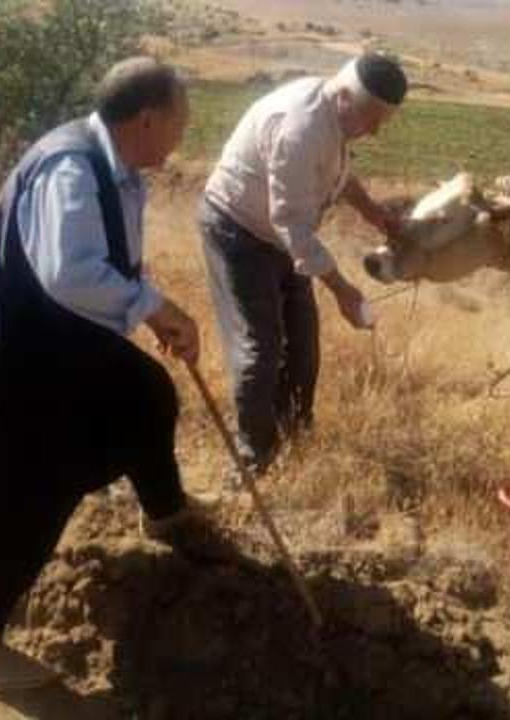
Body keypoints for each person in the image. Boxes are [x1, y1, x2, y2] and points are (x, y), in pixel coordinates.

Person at [0, 57, 233, 691]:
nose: (185, 137)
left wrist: (150, 309)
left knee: (145, 393)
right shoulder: (73, 167)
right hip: (11, 343)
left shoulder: (120, 168)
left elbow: (108, 267)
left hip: (53, 334)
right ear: (148, 120)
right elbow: (70, 273)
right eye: (182, 123)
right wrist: (153, 306)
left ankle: (165, 511)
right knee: (28, 489)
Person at [200, 53, 408, 477]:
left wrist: (373, 213)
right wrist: (343, 290)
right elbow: (291, 223)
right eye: (373, 117)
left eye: (383, 120)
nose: (377, 129)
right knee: (262, 346)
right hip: (238, 229)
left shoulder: (336, 115)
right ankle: (254, 455)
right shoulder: (299, 126)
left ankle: (294, 434)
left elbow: (337, 174)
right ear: (347, 97)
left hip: (279, 233)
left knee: (303, 344)